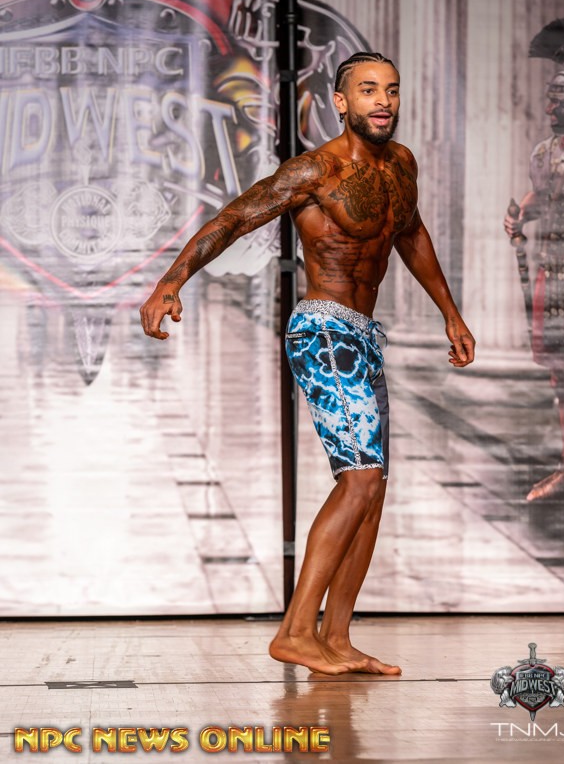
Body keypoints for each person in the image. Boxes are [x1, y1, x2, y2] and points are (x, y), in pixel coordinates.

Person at [140, 51, 475, 674]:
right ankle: (295, 632)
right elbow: (235, 218)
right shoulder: (316, 169)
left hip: (365, 334)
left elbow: (410, 234)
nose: (383, 101)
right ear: (341, 102)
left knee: (372, 489)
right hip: (322, 330)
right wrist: (170, 282)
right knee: (360, 479)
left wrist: (450, 313)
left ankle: (337, 638)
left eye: (392, 90)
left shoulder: (401, 165)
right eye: (368, 90)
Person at [504, 67, 564, 507]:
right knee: (563, 375)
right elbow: (544, 196)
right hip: (556, 275)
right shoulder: (544, 153)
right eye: (550, 100)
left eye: (559, 102)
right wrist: (521, 215)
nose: (549, 109)